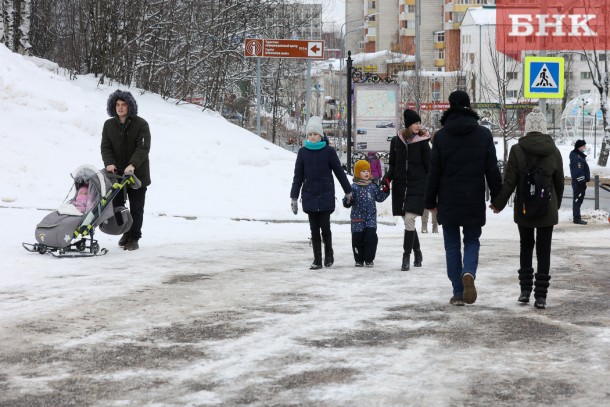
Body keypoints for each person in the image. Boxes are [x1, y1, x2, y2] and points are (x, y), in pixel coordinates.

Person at [425, 90, 502, 306]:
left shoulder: (440, 137)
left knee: (451, 245)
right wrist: (497, 199)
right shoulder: (484, 135)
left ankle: (458, 293)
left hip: (448, 201)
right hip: (473, 198)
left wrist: (430, 202)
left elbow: (434, 173)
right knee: (471, 240)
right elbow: (492, 170)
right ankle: (469, 272)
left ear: (450, 107)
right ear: (469, 107)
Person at [490, 107, 564, 309]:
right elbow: (559, 183)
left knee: (526, 246)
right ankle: (541, 296)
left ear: (527, 127)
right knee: (544, 250)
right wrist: (554, 205)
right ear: (544, 128)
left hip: (524, 208)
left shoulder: (517, 149)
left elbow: (510, 182)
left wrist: (498, 203)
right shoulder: (554, 151)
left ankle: (524, 291)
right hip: (546, 208)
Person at [291, 116, 352, 270]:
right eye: (310, 134)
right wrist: (294, 197)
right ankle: (317, 259)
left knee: (325, 227)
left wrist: (348, 191)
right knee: (313, 229)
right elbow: (298, 176)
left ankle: (329, 252)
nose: (312, 137)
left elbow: (339, 172)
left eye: (315, 134)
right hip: (309, 195)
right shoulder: (303, 152)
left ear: (321, 135)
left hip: (325, 194)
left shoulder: (329, 151)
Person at [101, 89, 151, 251]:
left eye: (124, 105)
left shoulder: (141, 124)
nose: (120, 108)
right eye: (117, 105)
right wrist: (109, 163)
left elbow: (143, 148)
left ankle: (134, 237)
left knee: (136, 207)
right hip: (116, 175)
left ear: (130, 106)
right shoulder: (109, 125)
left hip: (137, 174)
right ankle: (125, 231)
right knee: (118, 206)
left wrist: (133, 165)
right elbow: (105, 147)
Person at [382, 109, 430, 271]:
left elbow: (429, 166)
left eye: (419, 123)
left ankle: (406, 256)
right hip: (401, 187)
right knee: (407, 221)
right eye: (415, 123)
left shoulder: (423, 141)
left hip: (417, 186)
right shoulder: (397, 141)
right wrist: (387, 178)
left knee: (410, 219)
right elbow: (393, 164)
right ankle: (417, 251)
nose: (418, 126)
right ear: (408, 125)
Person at [343, 159, 390, 267]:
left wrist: (386, 190)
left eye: (368, 171)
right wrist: (348, 200)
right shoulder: (353, 187)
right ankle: (359, 259)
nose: (367, 173)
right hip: (357, 219)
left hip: (370, 219)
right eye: (363, 171)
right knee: (357, 240)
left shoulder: (372, 186)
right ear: (357, 173)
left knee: (371, 238)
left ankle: (369, 259)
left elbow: (379, 197)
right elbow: (346, 203)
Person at [569, 139, 590, 225]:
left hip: (579, 182)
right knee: (577, 200)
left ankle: (577, 217)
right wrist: (582, 182)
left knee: (578, 200)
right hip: (578, 183)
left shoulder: (579, 156)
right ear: (579, 147)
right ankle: (576, 218)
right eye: (583, 146)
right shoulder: (577, 157)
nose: (585, 147)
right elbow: (577, 171)